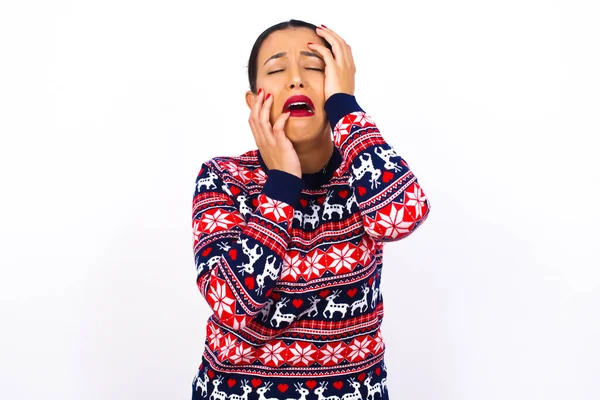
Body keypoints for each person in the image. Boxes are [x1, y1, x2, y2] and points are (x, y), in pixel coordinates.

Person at [191, 19, 431, 400]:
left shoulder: (363, 171)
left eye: (315, 67)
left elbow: (402, 216)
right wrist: (283, 183)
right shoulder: (224, 177)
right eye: (276, 69)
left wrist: (345, 109)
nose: (296, 80)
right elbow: (231, 302)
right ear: (254, 101)